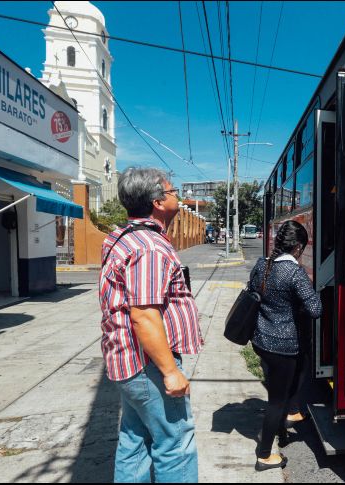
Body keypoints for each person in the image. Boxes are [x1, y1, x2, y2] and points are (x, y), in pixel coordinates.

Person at [99, 167, 203, 482]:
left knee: (135, 438)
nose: (178, 197)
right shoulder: (150, 247)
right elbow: (143, 314)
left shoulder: (123, 236)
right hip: (148, 364)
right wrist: (171, 371)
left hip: (129, 362)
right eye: (173, 192)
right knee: (175, 442)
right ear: (158, 201)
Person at [248, 220, 322, 471]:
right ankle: (265, 455)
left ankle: (287, 419)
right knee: (276, 400)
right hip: (283, 346)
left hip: (261, 340)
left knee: (289, 380)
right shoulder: (294, 272)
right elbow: (315, 309)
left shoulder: (262, 266)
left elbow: (257, 294)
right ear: (299, 247)